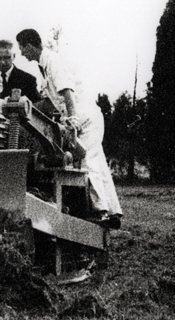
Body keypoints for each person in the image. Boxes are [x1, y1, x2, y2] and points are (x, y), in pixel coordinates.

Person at [16, 29, 123, 228]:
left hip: (84, 117)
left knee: (86, 159)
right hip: (86, 117)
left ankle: (101, 212)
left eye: (22, 47)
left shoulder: (54, 62)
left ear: (30, 45)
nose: (22, 53)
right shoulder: (44, 66)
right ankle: (113, 211)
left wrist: (72, 117)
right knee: (97, 161)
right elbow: (49, 100)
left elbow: (67, 91)